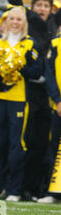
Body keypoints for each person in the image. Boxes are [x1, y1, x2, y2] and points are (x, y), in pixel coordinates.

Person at [8, 0, 61, 200]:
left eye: (45, 5)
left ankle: (41, 189)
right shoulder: (29, 19)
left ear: (52, 9)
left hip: (49, 93)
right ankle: (22, 188)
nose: (41, 8)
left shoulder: (54, 23)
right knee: (28, 140)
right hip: (29, 88)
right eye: (38, 4)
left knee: (45, 143)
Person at [0, 6, 41, 202]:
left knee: (16, 146)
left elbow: (36, 72)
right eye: (12, 19)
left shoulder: (29, 43)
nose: (15, 22)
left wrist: (21, 66)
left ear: (24, 23)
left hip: (19, 101)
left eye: (19, 19)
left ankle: (14, 190)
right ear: (6, 21)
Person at [39, 32, 61, 203]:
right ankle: (54, 192)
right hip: (59, 107)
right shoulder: (55, 43)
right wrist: (58, 100)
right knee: (54, 147)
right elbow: (50, 74)